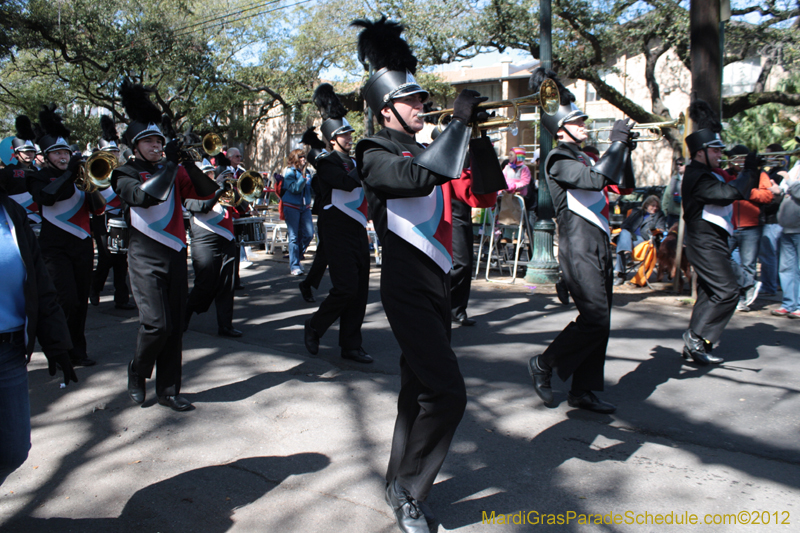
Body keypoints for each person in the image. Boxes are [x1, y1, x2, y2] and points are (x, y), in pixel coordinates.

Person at [352, 17, 497, 533]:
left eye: (421, 99)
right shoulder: (373, 152)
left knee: (417, 391)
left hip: (438, 281)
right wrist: (456, 126)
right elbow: (414, 180)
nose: (421, 106)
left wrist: (476, 138)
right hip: (406, 283)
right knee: (448, 393)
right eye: (411, 101)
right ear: (386, 109)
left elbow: (485, 191)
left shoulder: (431, 146)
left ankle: (398, 482)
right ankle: (411, 493)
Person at [525, 68, 636, 415]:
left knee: (601, 322)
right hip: (577, 245)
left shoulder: (586, 154)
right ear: (561, 129)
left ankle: (583, 390)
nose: (585, 124)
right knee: (595, 316)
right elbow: (592, 181)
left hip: (599, 243)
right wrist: (616, 144)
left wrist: (625, 151)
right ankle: (544, 364)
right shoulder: (558, 159)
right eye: (578, 120)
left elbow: (623, 185)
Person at [111, 80, 219, 412]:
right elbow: (144, 198)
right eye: (149, 141)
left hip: (174, 254)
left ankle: (169, 390)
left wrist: (185, 162)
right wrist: (171, 166)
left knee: (173, 329)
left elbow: (206, 192)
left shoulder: (172, 168)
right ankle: (137, 370)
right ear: (135, 146)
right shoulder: (123, 173)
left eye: (159, 141)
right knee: (156, 325)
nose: (156, 146)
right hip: (144, 257)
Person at [0, 186, 77, 486]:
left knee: (13, 450)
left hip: (8, 351)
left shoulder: (10, 211)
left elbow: (39, 283)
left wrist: (57, 344)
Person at [26, 104, 106, 368]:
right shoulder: (38, 177)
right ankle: (60, 350)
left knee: (80, 301)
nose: (63, 156)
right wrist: (71, 172)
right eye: (57, 153)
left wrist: (91, 184)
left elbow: (98, 209)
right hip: (53, 248)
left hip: (82, 245)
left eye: (66, 152)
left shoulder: (81, 176)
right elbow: (46, 199)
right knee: (65, 299)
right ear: (46, 157)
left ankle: (78, 351)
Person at [679, 101, 758, 365]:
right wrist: (747, 171)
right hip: (704, 242)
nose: (720, 154)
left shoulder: (709, 173)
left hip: (714, 241)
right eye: (715, 150)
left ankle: (695, 345)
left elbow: (735, 189)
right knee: (728, 291)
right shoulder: (697, 176)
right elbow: (728, 195)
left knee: (711, 292)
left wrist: (750, 172)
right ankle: (697, 336)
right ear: (701, 152)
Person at [302, 84, 372, 363]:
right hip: (335, 229)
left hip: (357, 228)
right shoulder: (326, 162)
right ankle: (315, 326)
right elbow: (345, 182)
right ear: (332, 139)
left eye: (350, 133)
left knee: (361, 290)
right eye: (344, 134)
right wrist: (365, 163)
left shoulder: (355, 160)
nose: (350, 137)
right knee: (346, 288)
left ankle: (351, 345)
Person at [184, 162, 241, 338]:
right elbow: (201, 207)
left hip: (227, 238)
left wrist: (236, 190)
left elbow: (242, 206)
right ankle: (183, 316)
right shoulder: (190, 191)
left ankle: (225, 326)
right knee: (204, 284)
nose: (209, 178)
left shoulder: (223, 191)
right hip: (204, 239)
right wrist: (217, 188)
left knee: (227, 284)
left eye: (211, 174)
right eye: (205, 175)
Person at [90, 115, 135, 310]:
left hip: (119, 218)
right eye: (109, 151)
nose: (114, 155)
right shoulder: (94, 170)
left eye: (115, 151)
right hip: (100, 219)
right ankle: (95, 286)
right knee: (107, 256)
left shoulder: (123, 169)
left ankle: (121, 298)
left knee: (120, 257)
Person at [728, 144, 779, 312]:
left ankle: (742, 300)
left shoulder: (759, 174)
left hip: (751, 226)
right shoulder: (727, 175)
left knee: (748, 265)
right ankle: (737, 293)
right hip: (730, 225)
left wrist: (746, 191)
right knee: (723, 257)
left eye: (737, 158)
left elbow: (768, 196)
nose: (733, 162)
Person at [613, 195, 666, 285]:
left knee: (621, 246)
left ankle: (622, 272)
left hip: (644, 240)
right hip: (630, 237)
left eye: (657, 206)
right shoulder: (636, 211)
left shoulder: (659, 215)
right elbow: (624, 225)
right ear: (646, 205)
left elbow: (661, 229)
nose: (655, 208)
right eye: (652, 206)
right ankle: (626, 258)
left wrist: (653, 229)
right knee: (624, 233)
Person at [0, 116, 41, 228]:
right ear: (17, 154)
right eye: (25, 151)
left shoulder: (41, 171)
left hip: (39, 219)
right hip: (15, 219)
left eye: (31, 151)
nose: (29, 154)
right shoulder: (7, 172)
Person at [758, 143, 787, 296]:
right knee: (773, 255)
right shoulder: (774, 172)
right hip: (773, 219)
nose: (766, 158)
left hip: (773, 219)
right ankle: (774, 284)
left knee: (769, 254)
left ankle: (769, 285)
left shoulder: (780, 173)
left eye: (769, 155)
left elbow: (775, 199)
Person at [282, 149, 314, 276]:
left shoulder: (306, 172)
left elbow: (310, 190)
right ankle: (294, 265)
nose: (303, 159)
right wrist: (303, 179)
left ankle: (297, 256)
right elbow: (294, 188)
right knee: (294, 236)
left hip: (305, 207)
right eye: (301, 157)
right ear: (295, 158)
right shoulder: (290, 172)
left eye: (304, 156)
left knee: (309, 234)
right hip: (291, 206)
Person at [772, 172, 800, 318]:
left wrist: (788, 180)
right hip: (786, 230)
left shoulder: (792, 177)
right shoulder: (796, 171)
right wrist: (778, 194)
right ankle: (788, 304)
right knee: (786, 269)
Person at [661, 157, 685, 227]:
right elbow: (666, 196)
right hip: (672, 216)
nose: (678, 166)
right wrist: (665, 212)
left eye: (681, 164)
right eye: (677, 164)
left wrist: (683, 200)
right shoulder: (674, 179)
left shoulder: (690, 179)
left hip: (683, 216)